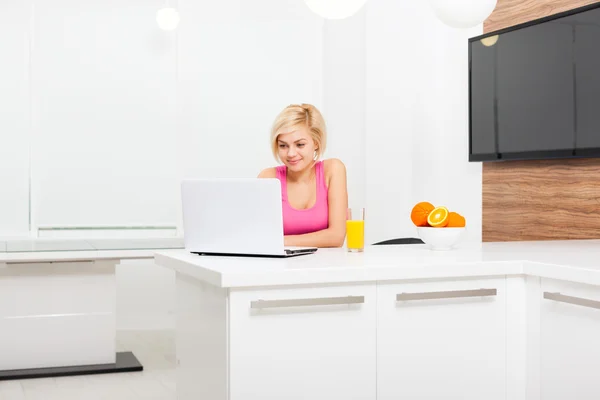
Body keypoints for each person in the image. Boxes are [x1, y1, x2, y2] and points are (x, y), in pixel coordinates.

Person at [258, 103, 348, 248]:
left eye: (300, 145)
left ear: (316, 143)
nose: (291, 153)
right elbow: (260, 236)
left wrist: (281, 241)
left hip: (328, 266)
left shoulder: (333, 170)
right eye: (283, 145)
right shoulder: (268, 178)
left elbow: (336, 237)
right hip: (281, 267)